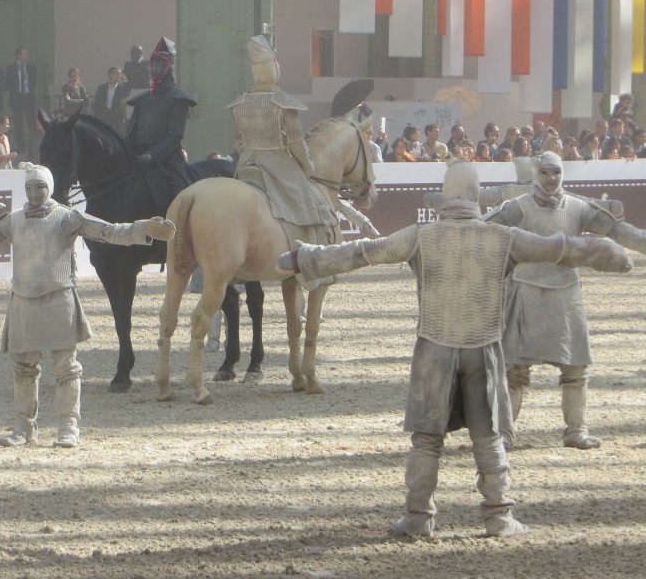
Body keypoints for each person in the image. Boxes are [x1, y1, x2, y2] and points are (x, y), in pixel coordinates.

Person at [276, 160, 632, 537]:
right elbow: (558, 249)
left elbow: (362, 253)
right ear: (478, 196)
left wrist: (304, 258)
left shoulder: (420, 235)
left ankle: (417, 517)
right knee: (489, 436)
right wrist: (607, 253)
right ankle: (498, 516)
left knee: (427, 439)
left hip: (435, 347)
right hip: (484, 348)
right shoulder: (503, 237)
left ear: (445, 195)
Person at [0, 164, 175, 448]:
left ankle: (68, 427)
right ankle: (23, 428)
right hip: (23, 301)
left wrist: (142, 229)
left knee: (66, 368)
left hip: (59, 298)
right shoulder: (13, 220)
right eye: (30, 187)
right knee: (23, 368)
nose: (35, 192)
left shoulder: (67, 217)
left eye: (40, 186)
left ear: (50, 187)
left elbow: (108, 231)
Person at [484, 152, 646, 450]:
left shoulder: (579, 207)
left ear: (563, 174)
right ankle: (503, 433)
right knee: (514, 371)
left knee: (576, 368)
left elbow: (620, 232)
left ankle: (576, 431)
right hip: (526, 291)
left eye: (556, 172)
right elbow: (481, 229)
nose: (551, 179)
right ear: (537, 175)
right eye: (545, 173)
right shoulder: (517, 207)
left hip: (567, 294)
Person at [227, 34, 328, 254]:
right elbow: (296, 142)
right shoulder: (283, 103)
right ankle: (308, 255)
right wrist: (307, 164)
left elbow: (238, 141)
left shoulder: (240, 102)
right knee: (310, 206)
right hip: (280, 165)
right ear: (274, 69)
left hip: (246, 164)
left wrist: (250, 153)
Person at [126, 37, 197, 211]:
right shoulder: (141, 101)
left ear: (168, 68)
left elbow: (174, 136)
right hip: (138, 155)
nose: (154, 69)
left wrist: (151, 155)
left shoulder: (179, 99)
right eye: (152, 65)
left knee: (178, 193)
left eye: (159, 65)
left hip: (167, 158)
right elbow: (131, 133)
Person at [4, 47, 38, 153]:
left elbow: (34, 81)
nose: (26, 56)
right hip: (17, 99)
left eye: (26, 54)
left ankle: (34, 145)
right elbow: (8, 83)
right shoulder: (11, 68)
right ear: (19, 56)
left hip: (28, 98)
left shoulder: (31, 67)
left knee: (32, 123)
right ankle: (21, 146)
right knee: (18, 124)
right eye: (24, 54)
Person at [91, 66, 130, 136]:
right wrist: (97, 115)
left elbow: (126, 93)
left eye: (120, 73)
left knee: (119, 138)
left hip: (117, 119)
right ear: (110, 74)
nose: (119, 75)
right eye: (116, 73)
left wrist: (125, 81)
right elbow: (97, 102)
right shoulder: (102, 88)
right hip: (105, 118)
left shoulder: (121, 87)